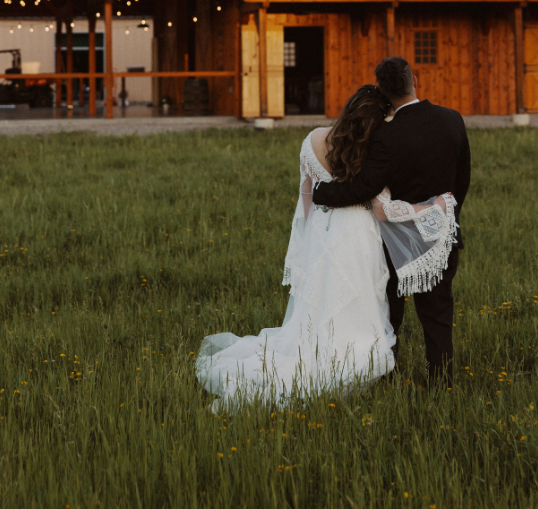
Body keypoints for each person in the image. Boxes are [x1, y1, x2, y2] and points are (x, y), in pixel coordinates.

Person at [196, 85, 446, 409]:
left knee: (320, 304)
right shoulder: (371, 151)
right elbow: (384, 209)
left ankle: (316, 354)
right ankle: (348, 364)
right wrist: (433, 208)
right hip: (358, 237)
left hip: (321, 232)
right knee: (357, 303)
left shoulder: (313, 140)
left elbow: (305, 199)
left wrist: (307, 244)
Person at [311, 56, 471, 388]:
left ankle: (387, 377)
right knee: (437, 316)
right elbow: (462, 180)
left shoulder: (386, 136)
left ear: (383, 91)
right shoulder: (452, 120)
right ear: (414, 79)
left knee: (389, 314)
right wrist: (444, 219)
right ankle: (440, 386)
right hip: (440, 237)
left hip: (395, 243)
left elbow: (363, 188)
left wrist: (319, 190)